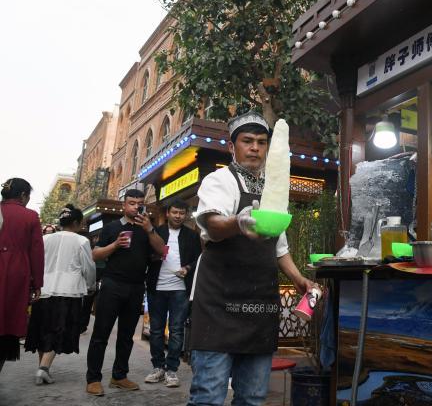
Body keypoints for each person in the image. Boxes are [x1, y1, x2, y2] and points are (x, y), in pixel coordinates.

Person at [188, 110, 317, 406]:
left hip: (259, 307)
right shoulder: (219, 180)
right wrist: (239, 222)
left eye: (261, 142)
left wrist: (299, 279)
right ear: (232, 147)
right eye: (247, 141)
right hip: (218, 305)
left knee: (253, 398)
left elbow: (278, 246)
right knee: (208, 395)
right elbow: (212, 224)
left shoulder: (272, 189)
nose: (255, 148)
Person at [85, 189, 165, 396]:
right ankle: (93, 379)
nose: (136, 206)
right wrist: (115, 244)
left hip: (137, 287)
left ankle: (119, 376)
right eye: (131, 203)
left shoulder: (147, 227)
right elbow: (95, 255)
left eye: (139, 203)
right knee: (100, 334)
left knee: (127, 336)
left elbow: (162, 250)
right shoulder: (112, 227)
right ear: (124, 205)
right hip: (112, 285)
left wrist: (149, 229)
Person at [25, 204, 95, 385]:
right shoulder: (82, 241)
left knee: (43, 329)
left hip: (44, 289)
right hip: (69, 291)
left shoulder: (45, 239)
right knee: (59, 329)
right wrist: (90, 285)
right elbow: (88, 267)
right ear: (77, 222)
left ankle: (42, 367)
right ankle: (43, 369)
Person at [144, 199, 201, 388]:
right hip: (157, 288)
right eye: (175, 212)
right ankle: (157, 367)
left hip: (180, 289)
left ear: (185, 215)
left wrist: (187, 268)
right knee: (156, 329)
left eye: (181, 213)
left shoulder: (192, 236)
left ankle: (172, 370)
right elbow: (146, 256)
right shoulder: (156, 232)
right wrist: (155, 256)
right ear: (168, 213)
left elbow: (197, 260)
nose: (178, 216)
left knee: (176, 330)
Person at [0, 178, 44, 374]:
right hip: (15, 275)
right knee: (7, 325)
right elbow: (36, 253)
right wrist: (37, 284)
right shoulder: (30, 217)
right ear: (23, 196)